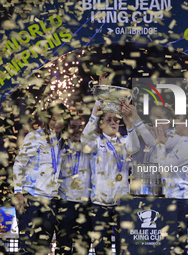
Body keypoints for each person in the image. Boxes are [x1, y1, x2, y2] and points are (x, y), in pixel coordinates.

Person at [82, 101, 140, 255]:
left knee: (124, 245)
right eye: (108, 120)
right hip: (100, 203)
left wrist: (128, 121)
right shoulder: (96, 142)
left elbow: (135, 147)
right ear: (100, 125)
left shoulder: (124, 141)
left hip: (122, 202)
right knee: (101, 248)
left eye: (116, 120)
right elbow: (84, 142)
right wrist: (94, 113)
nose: (113, 123)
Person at [13, 103, 68, 255]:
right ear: (47, 120)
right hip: (30, 198)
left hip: (50, 200)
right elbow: (19, 164)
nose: (57, 123)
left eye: (61, 119)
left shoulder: (62, 141)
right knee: (27, 246)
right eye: (54, 119)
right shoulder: (34, 137)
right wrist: (18, 192)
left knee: (44, 246)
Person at [152, 109, 188, 254]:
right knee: (170, 246)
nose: (176, 122)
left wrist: (160, 144)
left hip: (179, 203)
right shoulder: (184, 141)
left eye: (179, 118)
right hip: (175, 201)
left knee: (176, 248)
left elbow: (163, 167)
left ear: (187, 122)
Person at [56, 110, 92, 255]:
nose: (77, 130)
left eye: (80, 127)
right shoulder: (59, 147)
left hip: (86, 204)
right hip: (65, 203)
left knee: (83, 247)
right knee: (63, 246)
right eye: (73, 127)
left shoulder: (91, 147)